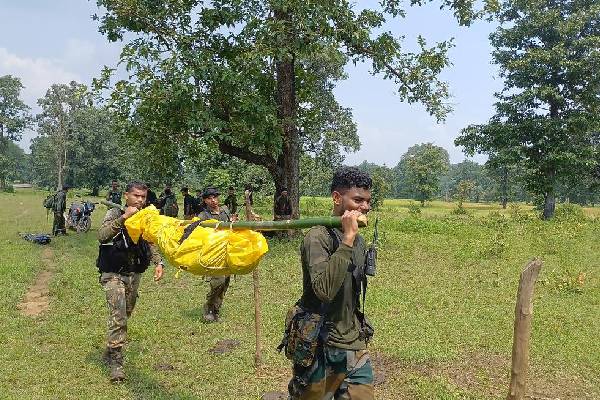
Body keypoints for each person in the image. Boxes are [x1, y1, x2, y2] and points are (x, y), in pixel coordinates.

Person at [283, 167, 375, 399]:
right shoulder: (317, 237)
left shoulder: (359, 240)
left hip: (353, 343)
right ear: (336, 198)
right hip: (320, 344)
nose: (365, 207)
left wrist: (352, 239)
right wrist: (347, 240)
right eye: (358, 200)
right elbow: (324, 290)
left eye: (367, 201)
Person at [96, 181, 165, 382]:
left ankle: (109, 350)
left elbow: (150, 241)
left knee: (127, 312)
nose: (140, 200)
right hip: (113, 273)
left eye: (143, 197)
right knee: (119, 316)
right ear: (127, 195)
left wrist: (159, 262)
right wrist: (124, 218)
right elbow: (102, 236)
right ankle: (116, 363)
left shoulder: (145, 216)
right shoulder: (115, 214)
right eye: (136, 196)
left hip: (134, 273)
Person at [189, 187, 236, 322]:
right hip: (213, 253)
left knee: (225, 282)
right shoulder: (203, 216)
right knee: (218, 281)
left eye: (215, 197)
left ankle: (216, 310)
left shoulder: (225, 210)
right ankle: (208, 309)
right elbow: (197, 233)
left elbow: (231, 225)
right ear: (205, 200)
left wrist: (233, 221)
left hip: (227, 250)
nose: (213, 200)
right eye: (209, 198)